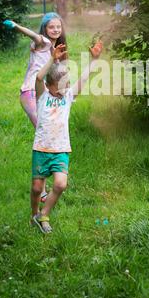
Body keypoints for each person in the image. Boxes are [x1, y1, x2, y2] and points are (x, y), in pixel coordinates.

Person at [31, 40, 103, 234]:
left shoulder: (69, 97)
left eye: (67, 84)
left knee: (61, 184)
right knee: (37, 189)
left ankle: (44, 214)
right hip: (41, 148)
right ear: (51, 86)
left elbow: (83, 80)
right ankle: (34, 214)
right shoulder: (43, 96)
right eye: (61, 85)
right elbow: (38, 78)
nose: (66, 88)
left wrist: (94, 60)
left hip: (61, 149)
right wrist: (51, 59)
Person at [3, 12, 67, 201]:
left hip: (42, 94)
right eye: (51, 27)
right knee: (43, 130)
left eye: (58, 27)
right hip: (31, 93)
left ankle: (43, 185)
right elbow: (33, 35)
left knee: (45, 131)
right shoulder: (44, 43)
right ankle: (42, 188)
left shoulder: (56, 49)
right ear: (45, 29)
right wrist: (15, 26)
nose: (55, 30)